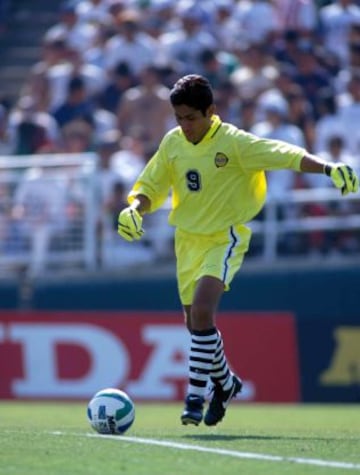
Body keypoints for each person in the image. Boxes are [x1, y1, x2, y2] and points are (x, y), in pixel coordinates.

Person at [117, 74, 359, 427]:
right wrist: (134, 208)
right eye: (179, 118)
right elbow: (152, 183)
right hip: (187, 239)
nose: (185, 126)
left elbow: (283, 154)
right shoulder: (173, 143)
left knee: (202, 310)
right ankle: (226, 383)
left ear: (211, 111)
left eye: (191, 118)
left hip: (225, 237)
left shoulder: (233, 143)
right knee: (194, 322)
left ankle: (195, 395)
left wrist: (327, 168)